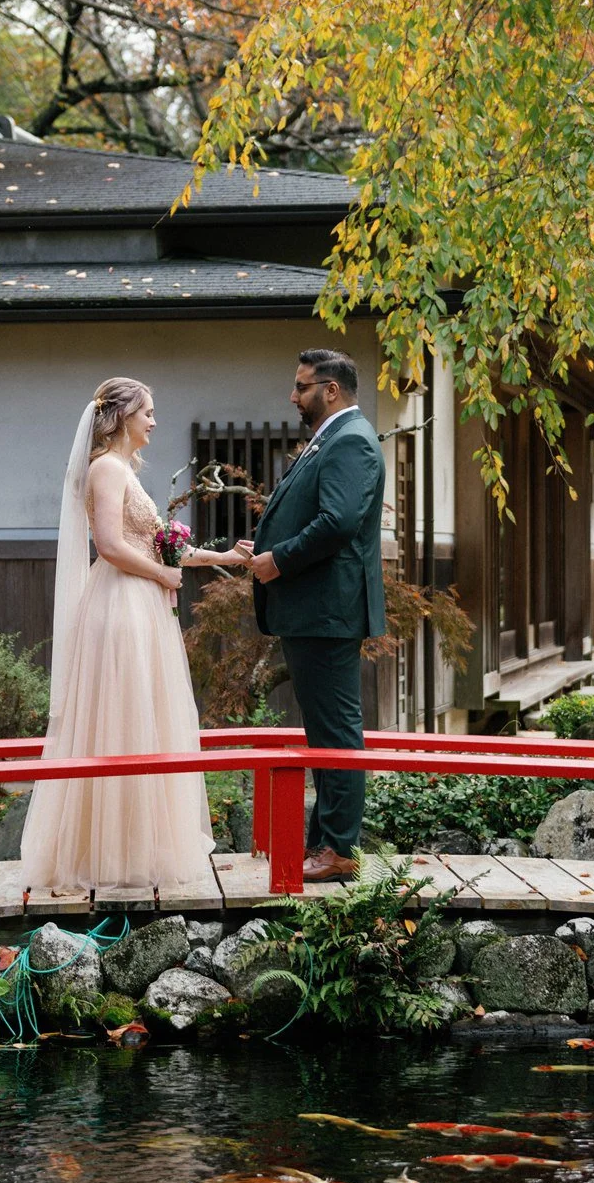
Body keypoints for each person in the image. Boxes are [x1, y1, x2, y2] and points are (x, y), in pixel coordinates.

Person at [20, 377, 249, 891]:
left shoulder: (125, 471)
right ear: (122, 416)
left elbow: (158, 548)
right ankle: (104, 853)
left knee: (144, 718)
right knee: (120, 719)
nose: (153, 421)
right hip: (119, 605)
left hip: (141, 603)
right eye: (148, 412)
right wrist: (163, 576)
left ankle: (135, 847)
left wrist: (225, 557)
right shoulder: (105, 468)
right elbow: (109, 546)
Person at [238, 349, 385, 882]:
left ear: (331, 390)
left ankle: (340, 848)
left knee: (337, 731)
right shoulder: (331, 438)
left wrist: (280, 558)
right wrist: (263, 544)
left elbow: (339, 520)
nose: (292, 396)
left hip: (328, 610)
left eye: (301, 387)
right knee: (324, 730)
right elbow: (316, 514)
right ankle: (326, 842)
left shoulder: (350, 440)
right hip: (315, 609)